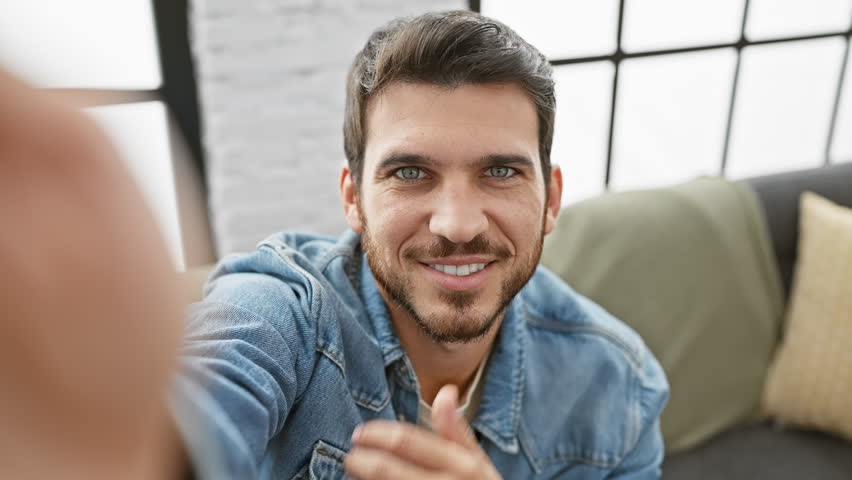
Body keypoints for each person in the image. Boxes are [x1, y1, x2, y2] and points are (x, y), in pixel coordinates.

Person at [0, 10, 668, 480]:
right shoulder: (279, 312)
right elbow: (203, 406)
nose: (458, 223)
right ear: (352, 198)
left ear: (550, 198)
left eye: (500, 171)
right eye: (411, 172)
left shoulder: (620, 389)